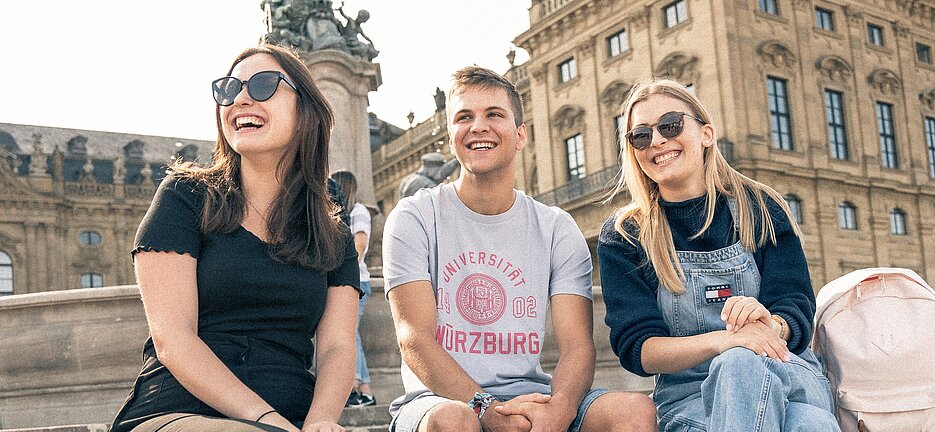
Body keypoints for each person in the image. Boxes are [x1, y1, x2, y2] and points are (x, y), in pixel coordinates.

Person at [382, 66, 657, 432]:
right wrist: (488, 410)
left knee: (636, 411)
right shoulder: (414, 216)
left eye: (494, 114)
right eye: (464, 117)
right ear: (451, 137)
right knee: (455, 420)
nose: (478, 126)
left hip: (532, 396)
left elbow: (577, 348)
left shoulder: (557, 228)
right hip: (439, 400)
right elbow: (413, 337)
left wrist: (559, 409)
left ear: (521, 134)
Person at [110, 43, 361, 432]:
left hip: (292, 416)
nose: (241, 98)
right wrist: (269, 422)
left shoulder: (328, 216)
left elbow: (338, 347)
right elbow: (173, 340)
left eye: (263, 85)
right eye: (229, 89)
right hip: (179, 409)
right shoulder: (185, 196)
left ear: (306, 111)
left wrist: (322, 421)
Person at [598, 78, 839, 431]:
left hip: (787, 374)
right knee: (810, 424)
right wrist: (728, 340)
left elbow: (796, 306)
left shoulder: (761, 208)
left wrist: (768, 323)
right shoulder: (625, 236)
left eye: (670, 125)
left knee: (742, 364)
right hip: (692, 399)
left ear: (706, 133)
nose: (658, 140)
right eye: (641, 135)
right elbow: (638, 349)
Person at [330, 170, 377, 408]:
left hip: (356, 281)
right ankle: (365, 391)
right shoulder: (349, 212)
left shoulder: (358, 211)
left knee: (347, 334)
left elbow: (361, 243)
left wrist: (343, 272)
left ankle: (352, 387)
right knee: (352, 335)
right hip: (353, 280)